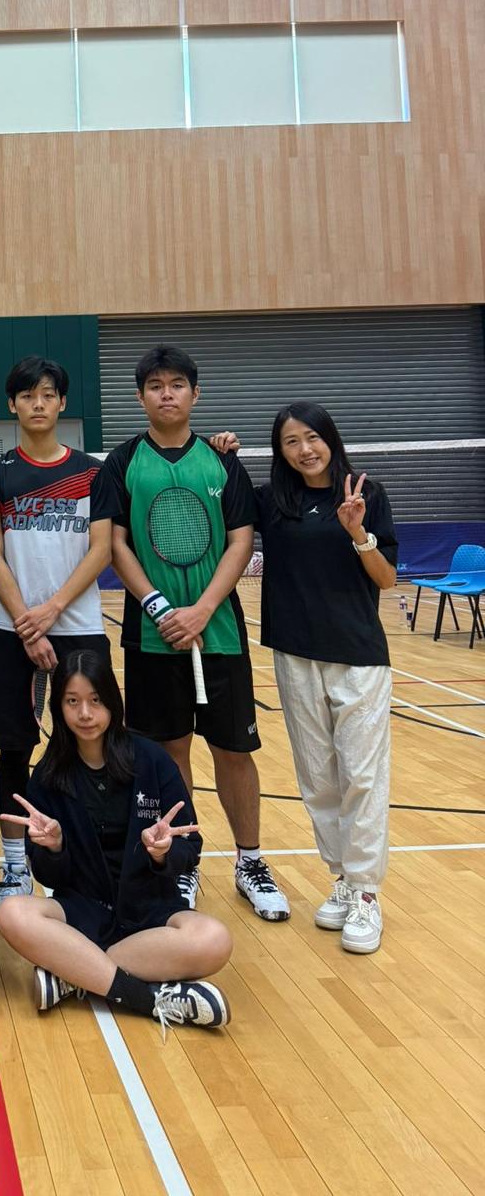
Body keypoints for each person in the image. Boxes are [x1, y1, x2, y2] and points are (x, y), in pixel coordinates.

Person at [101, 345, 290, 921]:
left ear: (195, 393)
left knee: (234, 750)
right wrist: (160, 606)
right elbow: (114, 543)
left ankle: (250, 861)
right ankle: (182, 864)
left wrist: (202, 610)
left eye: (177, 384)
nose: (167, 393)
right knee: (168, 753)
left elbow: (241, 541)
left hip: (219, 632)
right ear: (140, 397)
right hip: (152, 635)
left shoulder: (222, 462)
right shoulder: (122, 462)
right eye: (155, 385)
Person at [0, 652, 232, 1033]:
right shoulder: (48, 775)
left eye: (95, 700)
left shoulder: (151, 760)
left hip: (149, 911)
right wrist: (54, 847)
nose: (85, 713)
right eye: (72, 701)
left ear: (112, 700)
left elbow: (190, 848)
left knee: (215, 939)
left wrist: (163, 853)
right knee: (12, 913)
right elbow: (47, 875)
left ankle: (75, 973)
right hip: (82, 910)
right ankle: (144, 997)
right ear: (59, 707)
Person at [0, 355, 117, 914]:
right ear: (12, 404)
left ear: (62, 403)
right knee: (15, 751)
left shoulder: (93, 473)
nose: (38, 403)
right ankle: (16, 865)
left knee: (88, 745)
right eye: (28, 395)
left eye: (48, 394)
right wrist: (26, 623)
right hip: (12, 632)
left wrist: (52, 611)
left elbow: (100, 550)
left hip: (79, 629)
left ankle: (80, 862)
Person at [255, 403, 398, 954]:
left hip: (357, 655)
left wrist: (357, 531)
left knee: (361, 774)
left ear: (330, 440)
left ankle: (366, 892)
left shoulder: (367, 493)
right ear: (281, 452)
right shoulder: (273, 501)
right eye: (291, 442)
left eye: (312, 437)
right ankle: (341, 878)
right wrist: (222, 451)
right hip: (295, 653)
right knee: (318, 777)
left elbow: (386, 580)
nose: (304, 449)